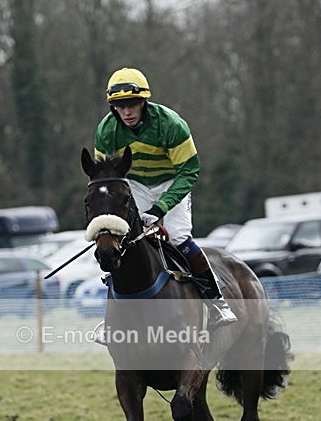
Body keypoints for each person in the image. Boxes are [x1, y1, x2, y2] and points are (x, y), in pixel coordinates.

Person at [94, 67, 236, 328]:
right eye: (119, 106)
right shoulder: (106, 131)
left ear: (144, 102)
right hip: (133, 183)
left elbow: (189, 170)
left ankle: (217, 302)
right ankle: (111, 316)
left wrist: (160, 209)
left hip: (171, 182)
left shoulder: (171, 124)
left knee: (179, 237)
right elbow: (107, 177)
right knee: (121, 241)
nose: (126, 112)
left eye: (132, 104)